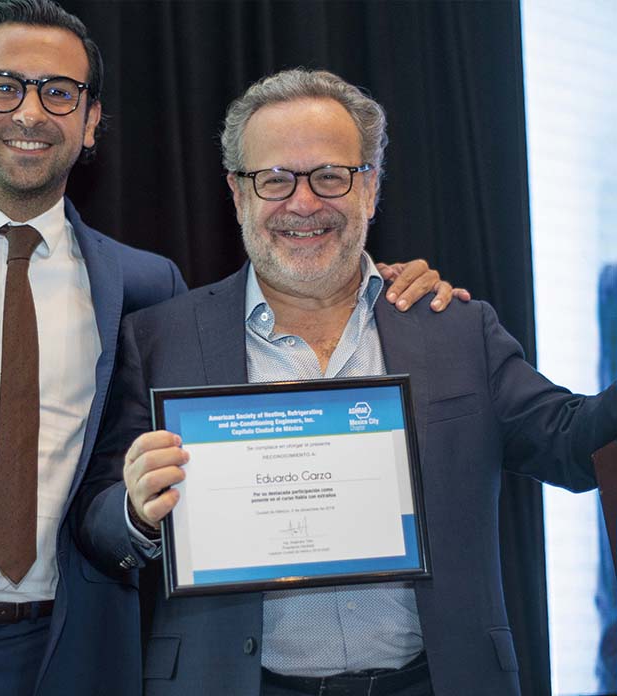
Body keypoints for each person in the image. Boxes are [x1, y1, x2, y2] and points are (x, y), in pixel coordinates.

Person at [0, 2, 459, 694]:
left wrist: (376, 284)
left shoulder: (146, 285)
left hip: (71, 656)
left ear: (89, 123)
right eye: (5, 87)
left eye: (59, 92)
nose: (30, 112)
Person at [76, 67, 617, 696]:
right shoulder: (159, 339)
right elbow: (96, 523)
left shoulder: (455, 328)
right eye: (275, 179)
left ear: (371, 186)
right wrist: (136, 510)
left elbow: (574, 445)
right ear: (238, 193)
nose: (303, 203)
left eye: (331, 176)